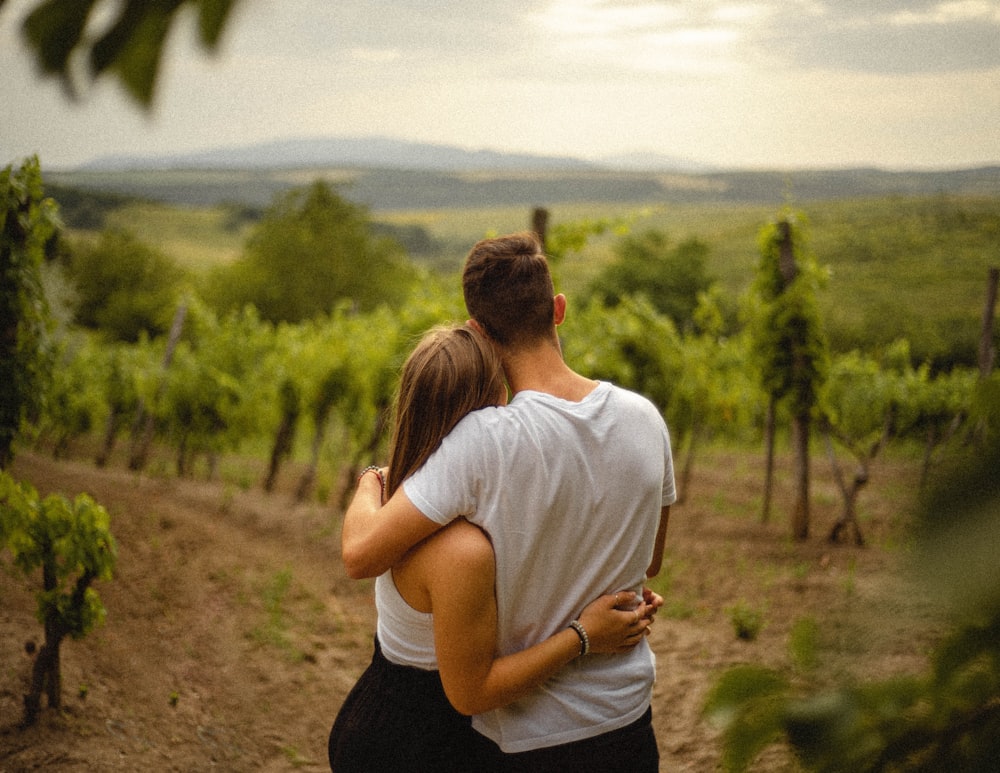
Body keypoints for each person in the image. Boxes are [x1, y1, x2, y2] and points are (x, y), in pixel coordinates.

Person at [342, 231, 676, 772]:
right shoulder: (645, 419)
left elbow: (361, 556)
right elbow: (649, 562)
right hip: (627, 726)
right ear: (558, 310)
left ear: (477, 330)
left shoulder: (481, 442)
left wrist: (369, 483)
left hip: (523, 739)